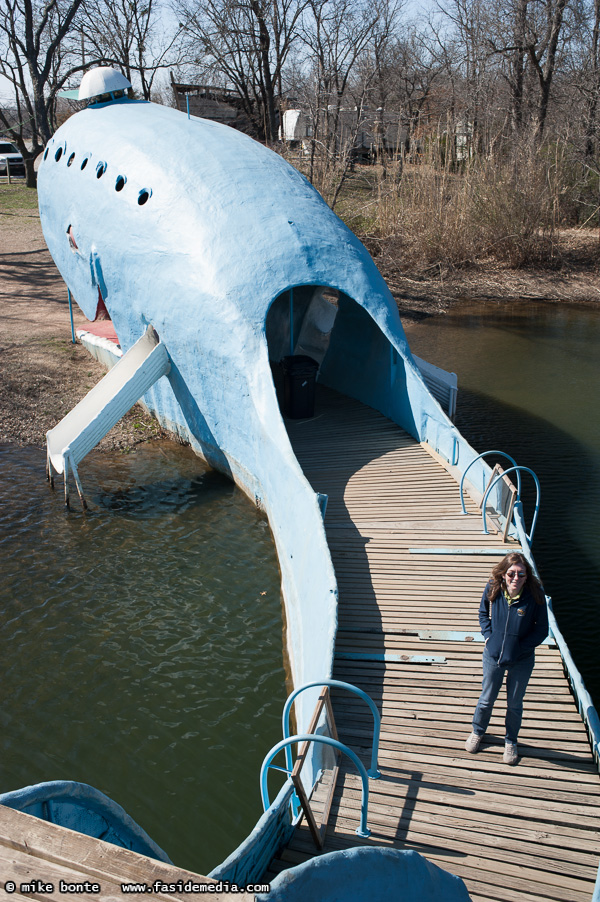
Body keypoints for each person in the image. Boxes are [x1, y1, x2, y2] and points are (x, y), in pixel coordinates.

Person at [465, 552, 549, 765]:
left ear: (527, 576)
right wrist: (487, 636)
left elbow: (542, 631)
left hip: (522, 659)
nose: (516, 578)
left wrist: (520, 649)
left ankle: (511, 740)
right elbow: (483, 613)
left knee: (514, 703)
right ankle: (478, 731)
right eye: (511, 573)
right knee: (486, 699)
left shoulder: (535, 595)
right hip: (493, 655)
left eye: (521, 574)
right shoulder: (493, 587)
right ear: (503, 574)